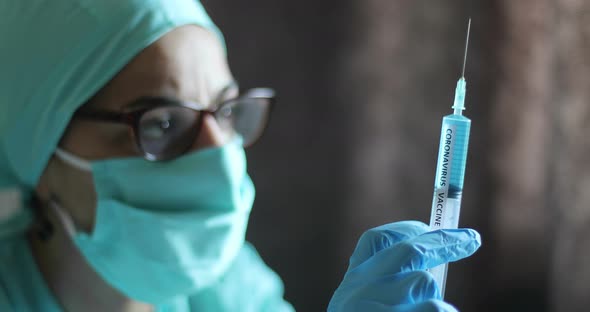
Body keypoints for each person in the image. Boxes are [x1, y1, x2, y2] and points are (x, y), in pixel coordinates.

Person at [0, 1, 481, 311]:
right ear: (41, 154)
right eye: (162, 123)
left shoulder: (224, 283)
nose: (219, 151)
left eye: (227, 111)